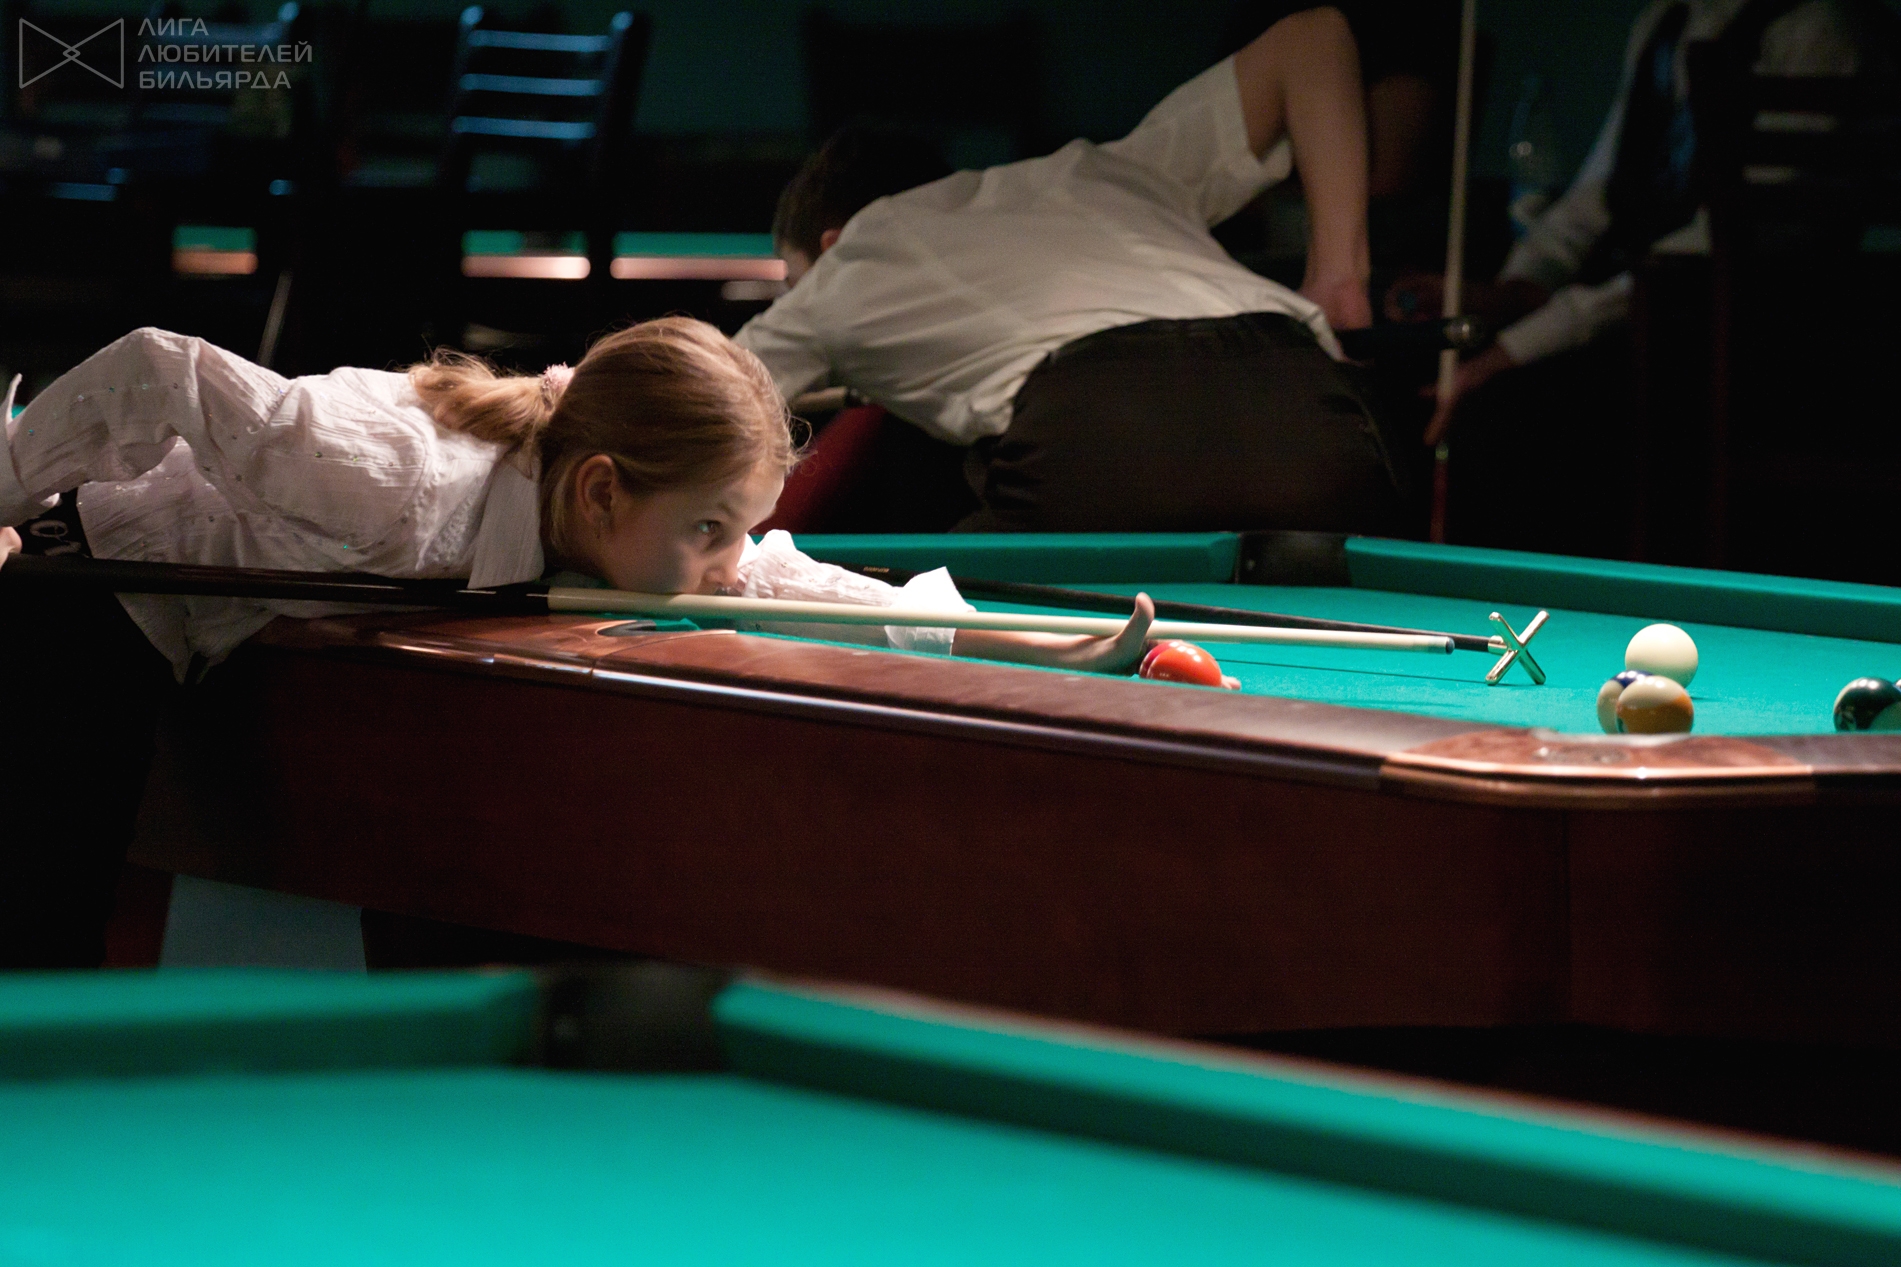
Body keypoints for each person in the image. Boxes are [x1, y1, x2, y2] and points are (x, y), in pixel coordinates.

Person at [0, 321, 1157, 969]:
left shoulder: (612, 518)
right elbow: (156, 370)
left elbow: (781, 575)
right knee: (36, 941)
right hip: (80, 599)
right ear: (602, 490)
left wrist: (1017, 642)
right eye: (709, 529)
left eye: (734, 529)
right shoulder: (394, 479)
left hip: (176, 634)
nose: (728, 562)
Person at [736, 8, 1415, 535]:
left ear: (831, 245)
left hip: (1105, 434)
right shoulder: (1105, 168)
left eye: (798, 282)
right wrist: (1340, 278)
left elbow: (699, 390)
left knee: (932, 605)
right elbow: (1313, 37)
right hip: (1322, 417)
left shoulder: (857, 254)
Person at [1388, 0, 1863, 443]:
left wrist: (1521, 345)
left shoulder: (1819, 29)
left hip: (1750, 330)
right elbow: (1599, 194)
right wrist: (1515, 290)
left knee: (1520, 401)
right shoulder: (1667, 19)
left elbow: (1726, 241)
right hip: (1633, 304)